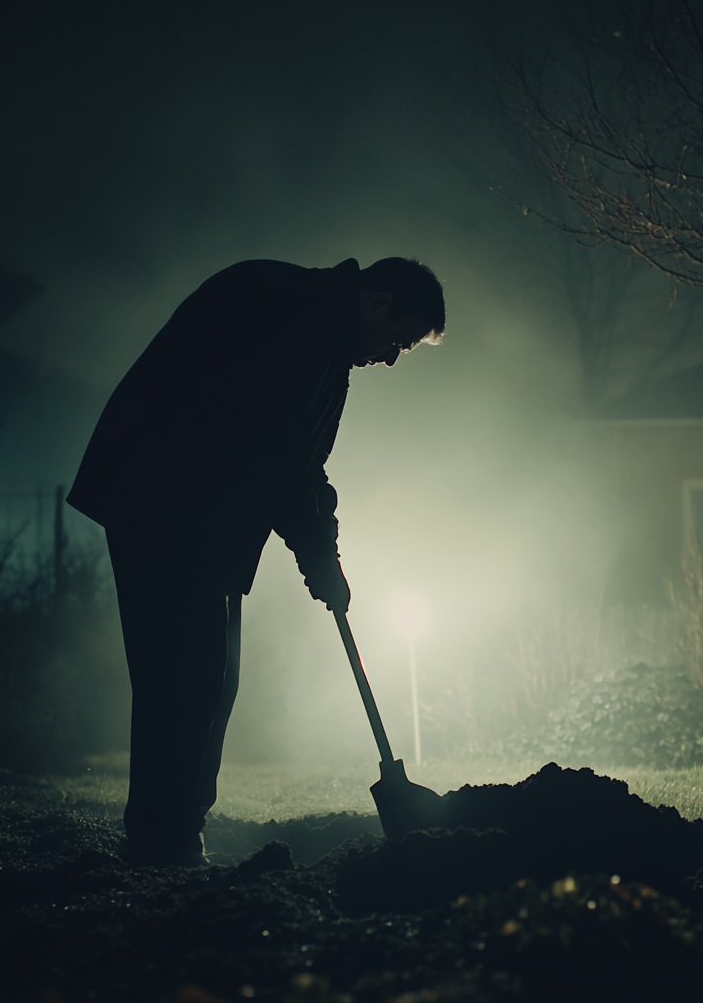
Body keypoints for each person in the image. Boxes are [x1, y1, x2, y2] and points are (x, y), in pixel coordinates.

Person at [67, 256, 445, 866]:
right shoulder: (291, 313)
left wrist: (325, 555)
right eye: (398, 339)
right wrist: (317, 556)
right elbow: (270, 450)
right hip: (159, 498)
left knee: (214, 678)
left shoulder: (324, 347)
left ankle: (177, 831)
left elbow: (302, 468)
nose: (392, 356)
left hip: (201, 516)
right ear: (378, 303)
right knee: (185, 675)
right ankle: (163, 844)